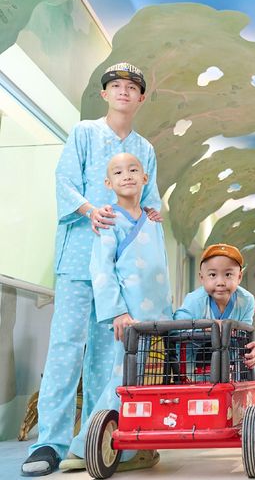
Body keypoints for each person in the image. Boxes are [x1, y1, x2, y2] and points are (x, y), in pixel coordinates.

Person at [22, 63, 162, 477]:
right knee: (65, 347)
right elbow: (64, 181)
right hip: (78, 259)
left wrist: (152, 216)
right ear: (105, 94)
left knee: (106, 355)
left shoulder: (145, 149)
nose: (123, 92)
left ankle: (93, 441)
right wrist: (88, 209)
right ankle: (49, 442)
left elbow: (151, 203)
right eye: (115, 86)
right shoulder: (84, 132)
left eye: (131, 87)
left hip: (120, 272)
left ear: (141, 98)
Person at [63, 152, 173, 470]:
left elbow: (161, 270)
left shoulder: (153, 221)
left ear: (145, 178)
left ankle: (139, 448)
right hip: (129, 320)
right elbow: (102, 270)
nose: (127, 175)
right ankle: (87, 446)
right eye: (119, 172)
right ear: (108, 183)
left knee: (149, 384)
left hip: (158, 319)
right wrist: (117, 312)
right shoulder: (108, 220)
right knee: (123, 381)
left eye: (133, 170)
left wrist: (169, 315)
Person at [174, 243, 255, 370]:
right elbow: (175, 329)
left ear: (239, 277)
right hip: (195, 370)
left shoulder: (246, 300)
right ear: (202, 278)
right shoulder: (194, 301)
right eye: (213, 275)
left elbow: (244, 338)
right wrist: (206, 327)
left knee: (253, 365)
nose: (220, 282)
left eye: (228, 274)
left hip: (231, 368)